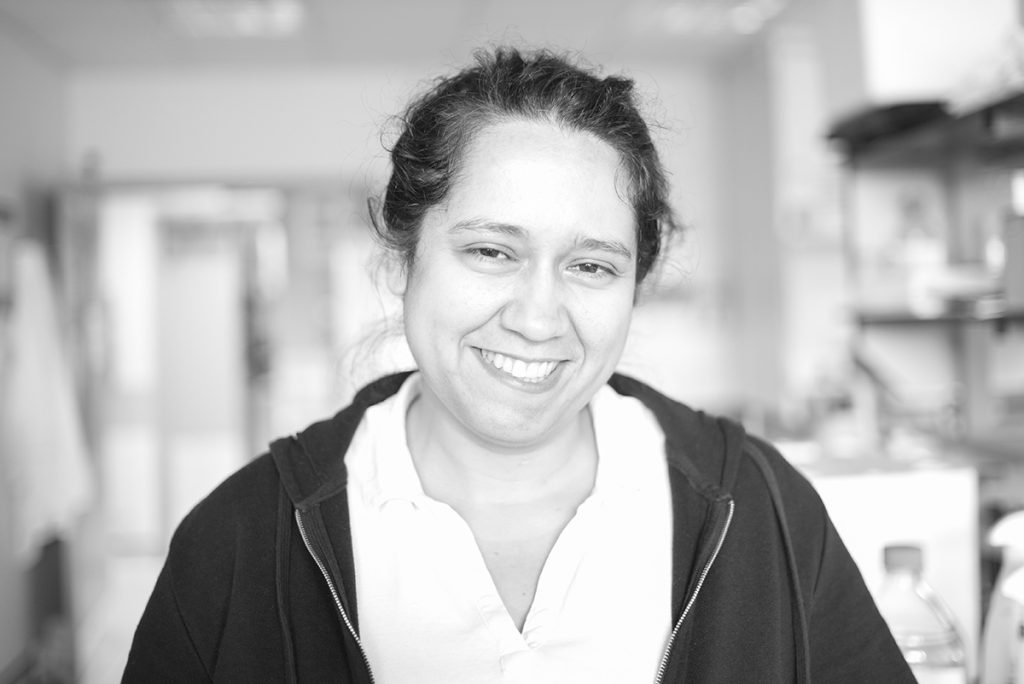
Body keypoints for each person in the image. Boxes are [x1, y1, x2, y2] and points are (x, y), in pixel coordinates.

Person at [122, 48, 915, 683]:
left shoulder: (762, 511)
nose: (537, 318)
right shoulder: (240, 542)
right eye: (491, 251)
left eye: (591, 266)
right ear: (402, 262)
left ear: (635, 287)